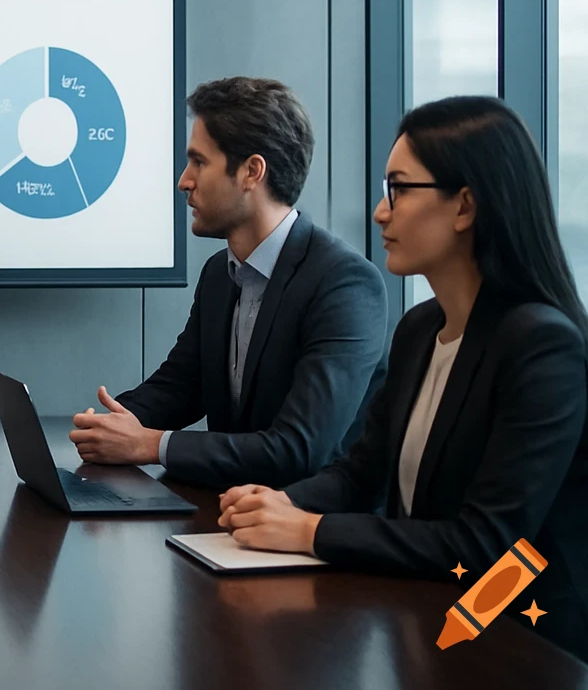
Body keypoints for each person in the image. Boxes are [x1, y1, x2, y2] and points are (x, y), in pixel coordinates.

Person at [218, 96, 588, 661]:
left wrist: (307, 530)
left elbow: (483, 547)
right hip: (429, 626)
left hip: (525, 648)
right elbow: (359, 476)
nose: (379, 213)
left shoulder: (542, 346)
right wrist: (273, 502)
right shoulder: (420, 329)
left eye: (398, 189)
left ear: (465, 206)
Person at [70, 77, 388, 487]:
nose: (184, 181)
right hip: (225, 513)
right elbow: (181, 387)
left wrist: (150, 445)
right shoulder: (219, 274)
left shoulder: (344, 284)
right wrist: (108, 425)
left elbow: (300, 447)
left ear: (251, 172)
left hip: (306, 529)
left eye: (199, 162)